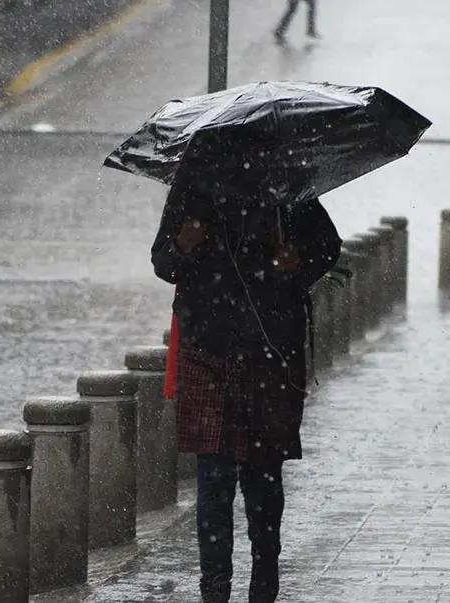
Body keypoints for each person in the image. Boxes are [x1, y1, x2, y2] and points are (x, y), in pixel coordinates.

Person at [151, 179, 342, 603]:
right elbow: (163, 262)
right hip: (208, 352)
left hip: (269, 354)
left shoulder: (287, 189)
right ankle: (214, 588)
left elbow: (329, 246)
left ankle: (264, 574)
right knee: (214, 480)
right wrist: (183, 244)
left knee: (263, 476)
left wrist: (298, 262)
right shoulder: (191, 193)